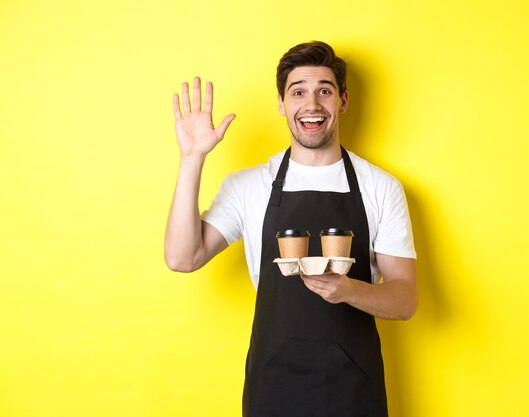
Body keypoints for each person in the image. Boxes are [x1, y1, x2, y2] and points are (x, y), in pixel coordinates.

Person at [165, 41, 417, 417]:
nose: (312, 104)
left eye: (324, 91)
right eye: (298, 92)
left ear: (343, 102)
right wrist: (192, 158)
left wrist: (349, 290)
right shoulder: (248, 186)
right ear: (282, 104)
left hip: (354, 390)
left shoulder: (380, 187)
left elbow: (405, 300)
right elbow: (182, 257)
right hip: (273, 386)